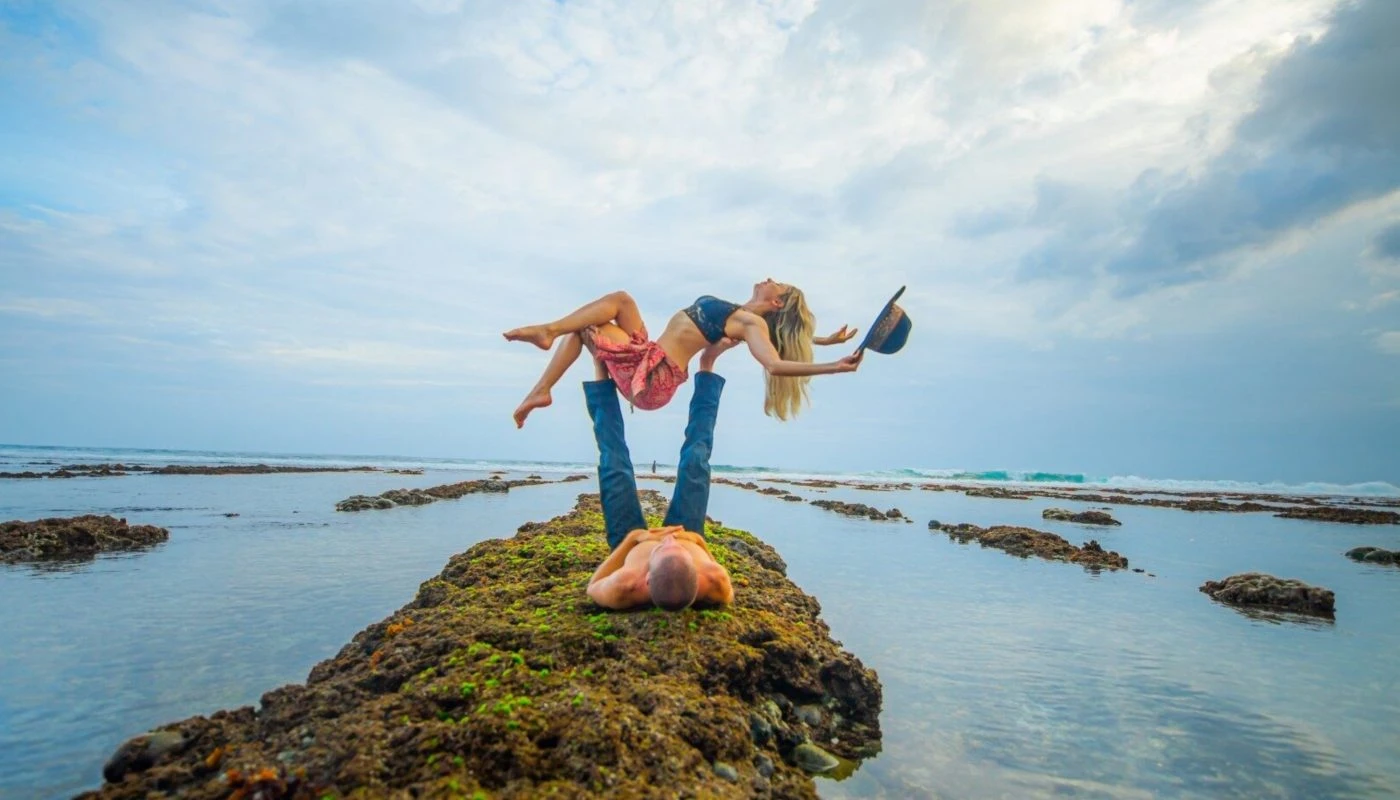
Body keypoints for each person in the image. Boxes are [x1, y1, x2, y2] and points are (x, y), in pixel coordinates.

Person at [504, 280, 861, 427]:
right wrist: (826, 340)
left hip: (656, 378)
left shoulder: (751, 325)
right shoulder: (742, 314)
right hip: (649, 356)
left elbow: (774, 361)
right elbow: (788, 336)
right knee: (613, 306)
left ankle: (547, 340)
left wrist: (836, 367)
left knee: (597, 319)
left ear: (776, 300)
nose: (769, 277)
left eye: (776, 282)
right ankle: (543, 377)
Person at [583, 342, 738, 611]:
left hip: (631, 542)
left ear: (645, 579)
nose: (666, 539)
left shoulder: (625, 586)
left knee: (614, 464)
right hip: (686, 532)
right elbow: (708, 557)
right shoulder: (716, 581)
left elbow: (593, 587)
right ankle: (708, 364)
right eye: (672, 545)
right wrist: (696, 542)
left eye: (663, 547)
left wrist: (635, 539)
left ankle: (600, 366)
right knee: (695, 461)